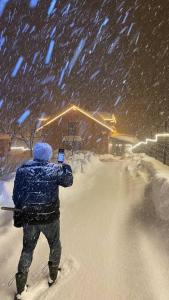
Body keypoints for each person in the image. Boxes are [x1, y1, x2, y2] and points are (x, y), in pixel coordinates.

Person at [12, 143, 73, 300]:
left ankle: (21, 286)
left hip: (30, 218)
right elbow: (68, 181)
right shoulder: (55, 169)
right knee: (54, 244)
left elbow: (17, 195)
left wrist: (20, 211)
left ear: (35, 153)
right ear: (48, 155)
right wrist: (64, 165)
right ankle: (53, 274)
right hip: (50, 217)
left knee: (27, 249)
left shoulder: (22, 170)